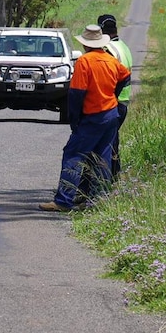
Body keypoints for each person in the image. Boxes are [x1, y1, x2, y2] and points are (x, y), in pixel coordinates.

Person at [39, 24, 131, 212]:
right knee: (102, 157)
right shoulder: (111, 60)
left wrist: (74, 119)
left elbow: (76, 93)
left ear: (86, 44)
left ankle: (64, 200)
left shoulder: (84, 61)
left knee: (73, 154)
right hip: (111, 115)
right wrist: (113, 94)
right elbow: (125, 77)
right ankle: (99, 201)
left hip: (93, 116)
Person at [98, 13, 133, 180]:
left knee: (105, 145)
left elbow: (111, 77)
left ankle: (105, 182)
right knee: (113, 143)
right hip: (123, 102)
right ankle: (114, 179)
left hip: (113, 102)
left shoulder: (109, 50)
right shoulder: (124, 46)